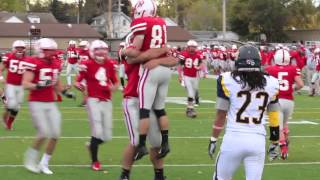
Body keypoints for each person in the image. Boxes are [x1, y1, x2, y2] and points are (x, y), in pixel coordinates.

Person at [208, 45, 280, 180]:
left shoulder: (227, 79)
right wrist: (275, 141)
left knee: (221, 178)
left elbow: (221, 114)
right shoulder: (272, 82)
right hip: (257, 141)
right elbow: (274, 115)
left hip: (234, 139)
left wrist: (213, 139)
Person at [122, 0, 171, 161]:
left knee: (146, 111)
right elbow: (132, 59)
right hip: (160, 73)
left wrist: (125, 50)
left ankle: (144, 147)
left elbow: (135, 52)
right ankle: (164, 141)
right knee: (160, 109)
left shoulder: (141, 26)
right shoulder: (160, 23)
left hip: (148, 77)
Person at [74, 40, 119, 171]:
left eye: (103, 50)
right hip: (93, 100)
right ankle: (95, 161)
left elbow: (115, 82)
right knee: (97, 131)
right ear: (93, 52)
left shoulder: (110, 64)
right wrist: (80, 87)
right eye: (98, 50)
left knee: (107, 136)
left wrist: (112, 88)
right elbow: (78, 82)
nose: (101, 53)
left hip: (107, 101)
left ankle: (91, 145)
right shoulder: (87, 64)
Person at [23, 38, 64, 175]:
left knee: (55, 134)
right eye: (49, 51)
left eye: (53, 51)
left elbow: (56, 82)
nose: (52, 54)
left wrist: (64, 91)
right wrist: (38, 86)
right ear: (41, 51)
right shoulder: (33, 62)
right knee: (43, 133)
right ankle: (30, 160)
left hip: (50, 102)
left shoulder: (55, 63)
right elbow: (25, 83)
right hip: (36, 102)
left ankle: (44, 163)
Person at [265, 49, 304, 160]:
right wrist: (292, 89)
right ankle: (286, 142)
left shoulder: (270, 69)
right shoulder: (293, 69)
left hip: (276, 101)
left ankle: (283, 149)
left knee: (278, 127)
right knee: (284, 123)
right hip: (289, 101)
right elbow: (300, 84)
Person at [0, 40, 28, 130]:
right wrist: (1, 78)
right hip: (10, 85)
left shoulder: (27, 59)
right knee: (11, 104)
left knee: (16, 107)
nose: (20, 50)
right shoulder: (9, 57)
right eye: (18, 48)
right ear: (14, 48)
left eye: (21, 48)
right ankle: (4, 119)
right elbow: (1, 68)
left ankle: (9, 123)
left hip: (20, 86)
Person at [178, 40, 203, 118]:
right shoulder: (183, 54)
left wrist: (200, 67)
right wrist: (180, 75)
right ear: (188, 47)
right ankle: (191, 109)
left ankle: (189, 109)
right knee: (190, 93)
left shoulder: (198, 54)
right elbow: (180, 65)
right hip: (186, 76)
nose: (193, 48)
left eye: (194, 47)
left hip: (195, 76)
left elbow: (201, 63)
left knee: (194, 91)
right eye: (191, 47)